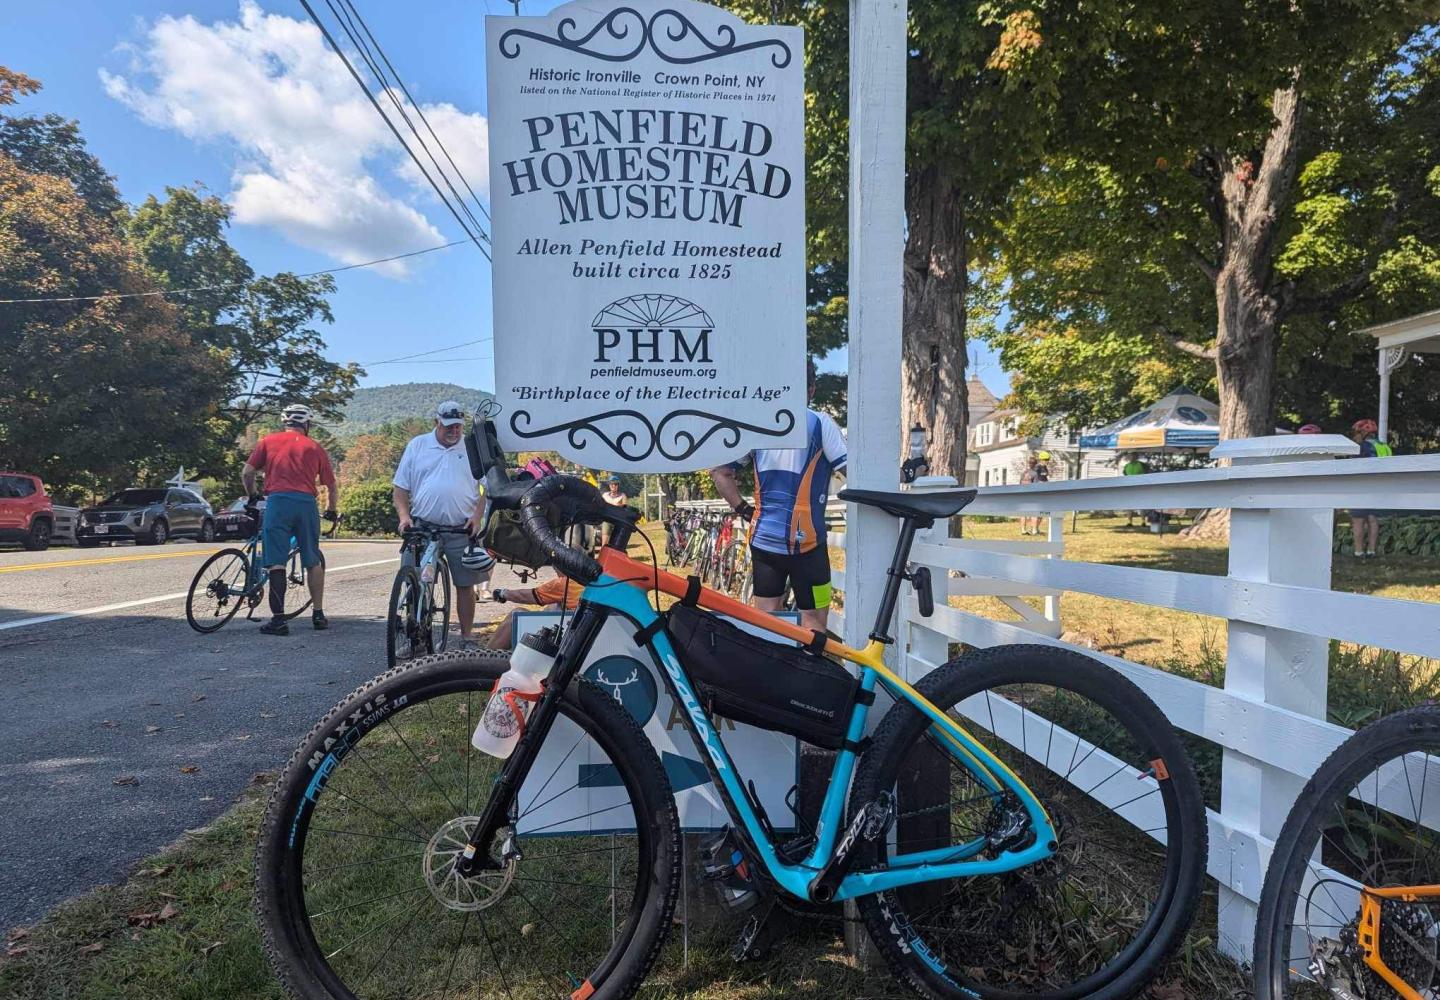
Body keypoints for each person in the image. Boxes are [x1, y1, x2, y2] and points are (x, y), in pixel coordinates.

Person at [708, 358, 846, 632]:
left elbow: (719, 472)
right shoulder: (820, 424)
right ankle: (809, 672)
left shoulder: (757, 424)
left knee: (769, 624)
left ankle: (774, 671)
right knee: (815, 625)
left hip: (765, 542)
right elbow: (855, 471)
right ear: (811, 390)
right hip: (809, 545)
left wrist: (743, 510)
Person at [393, 401, 491, 646]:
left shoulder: (471, 447)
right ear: (436, 422)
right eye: (448, 426)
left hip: (461, 527)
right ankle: (412, 636)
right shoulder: (418, 445)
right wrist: (404, 517)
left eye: (458, 426)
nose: (454, 431)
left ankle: (467, 637)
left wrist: (477, 518)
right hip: (423, 525)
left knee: (465, 584)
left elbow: (487, 489)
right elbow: (400, 487)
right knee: (413, 580)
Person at [241, 403, 338, 636]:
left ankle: (278, 620)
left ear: (285, 422)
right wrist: (331, 509)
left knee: (277, 561)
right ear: (306, 424)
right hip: (306, 504)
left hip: (278, 502)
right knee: (312, 559)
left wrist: (252, 494)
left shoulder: (267, 442)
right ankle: (318, 614)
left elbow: (247, 472)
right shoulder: (315, 447)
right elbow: (331, 485)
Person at [486, 575, 579, 650]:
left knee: (516, 615)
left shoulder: (566, 583)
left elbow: (525, 596)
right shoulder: (589, 580)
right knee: (553, 606)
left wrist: (503, 593)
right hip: (581, 632)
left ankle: (486, 658)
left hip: (569, 636)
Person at [1348, 418, 1393, 558]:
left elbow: (1354, 468)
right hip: (1379, 488)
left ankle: (1358, 552)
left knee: (1358, 520)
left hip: (1361, 488)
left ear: (1362, 432)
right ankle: (1372, 551)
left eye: (1356, 433)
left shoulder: (1362, 447)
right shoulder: (1385, 446)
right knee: (1373, 519)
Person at [1019, 453, 1050, 536]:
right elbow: (1035, 481)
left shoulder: (1043, 468)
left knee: (1036, 512)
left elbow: (1044, 478)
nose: (1047, 462)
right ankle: (1034, 530)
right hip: (1036, 491)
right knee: (1036, 511)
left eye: (1048, 460)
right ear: (1041, 460)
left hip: (1033, 492)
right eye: (1046, 460)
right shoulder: (1036, 469)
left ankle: (1033, 529)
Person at [1121, 453, 1150, 528]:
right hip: (1130, 488)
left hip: (1140, 488)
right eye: (1130, 456)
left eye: (1133, 456)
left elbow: (1148, 475)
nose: (1131, 458)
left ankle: (1143, 522)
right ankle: (1129, 522)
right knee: (1129, 505)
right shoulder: (1126, 466)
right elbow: (1125, 475)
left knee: (1141, 505)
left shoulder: (1142, 465)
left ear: (1137, 457)